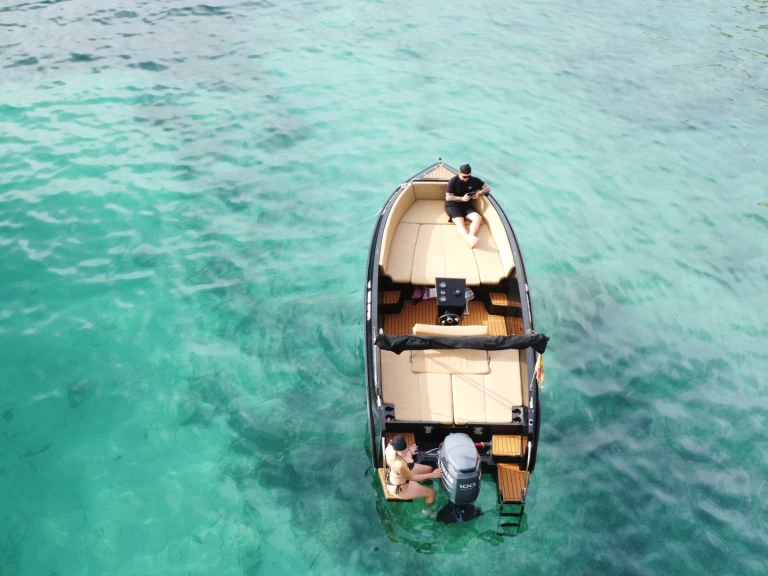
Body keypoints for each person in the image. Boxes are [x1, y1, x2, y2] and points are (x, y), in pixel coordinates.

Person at [385, 435, 442, 516]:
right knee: (432, 493)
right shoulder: (399, 465)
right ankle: (427, 510)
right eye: (402, 452)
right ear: (396, 452)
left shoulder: (392, 446)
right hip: (402, 487)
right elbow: (412, 477)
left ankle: (423, 485)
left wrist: (410, 452)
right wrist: (432, 475)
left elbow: (405, 456)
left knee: (429, 469)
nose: (405, 454)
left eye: (406, 450)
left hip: (403, 475)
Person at [445, 164, 491, 248]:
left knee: (478, 218)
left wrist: (479, 194)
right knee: (460, 221)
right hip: (453, 204)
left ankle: (471, 236)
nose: (467, 179)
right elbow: (448, 197)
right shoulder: (453, 181)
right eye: (464, 177)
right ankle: (469, 239)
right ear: (459, 173)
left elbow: (487, 188)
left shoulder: (474, 180)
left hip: (467, 205)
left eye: (468, 176)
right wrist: (461, 198)